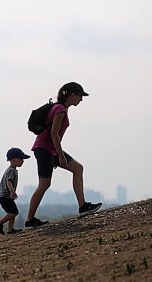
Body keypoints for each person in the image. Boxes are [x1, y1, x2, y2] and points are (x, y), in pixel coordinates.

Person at [25, 82, 102, 228]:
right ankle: (29, 220)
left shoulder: (60, 108)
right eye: (80, 96)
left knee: (77, 169)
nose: (81, 99)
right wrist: (60, 156)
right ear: (72, 95)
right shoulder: (59, 109)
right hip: (44, 149)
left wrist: (57, 153)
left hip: (50, 149)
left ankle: (83, 206)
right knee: (44, 184)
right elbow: (54, 133)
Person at [0, 147, 30, 235]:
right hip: (5, 196)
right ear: (13, 160)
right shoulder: (11, 171)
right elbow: (8, 181)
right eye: (21, 159)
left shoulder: (12, 170)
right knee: (13, 213)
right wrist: (12, 192)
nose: (23, 161)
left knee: (13, 212)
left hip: (5, 196)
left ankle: (10, 230)